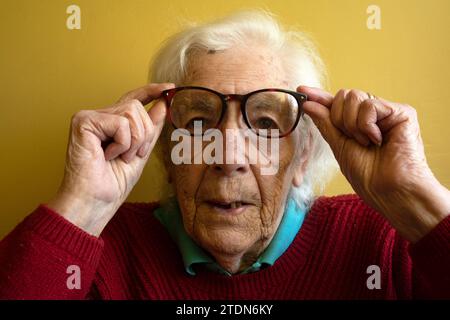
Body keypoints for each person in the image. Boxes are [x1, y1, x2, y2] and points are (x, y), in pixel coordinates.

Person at [0, 10, 449, 299]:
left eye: (267, 124)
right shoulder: (95, 255)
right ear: (166, 155)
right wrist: (80, 209)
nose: (229, 154)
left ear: (303, 157)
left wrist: (417, 201)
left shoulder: (385, 242)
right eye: (197, 123)